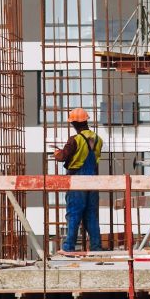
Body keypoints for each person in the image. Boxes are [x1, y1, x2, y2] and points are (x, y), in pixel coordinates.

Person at [53, 108, 103, 252]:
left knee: (74, 213)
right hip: (93, 181)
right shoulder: (98, 139)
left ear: (74, 123)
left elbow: (63, 157)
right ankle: (96, 248)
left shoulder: (75, 139)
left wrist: (57, 153)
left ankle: (69, 247)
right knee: (91, 216)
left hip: (77, 180)